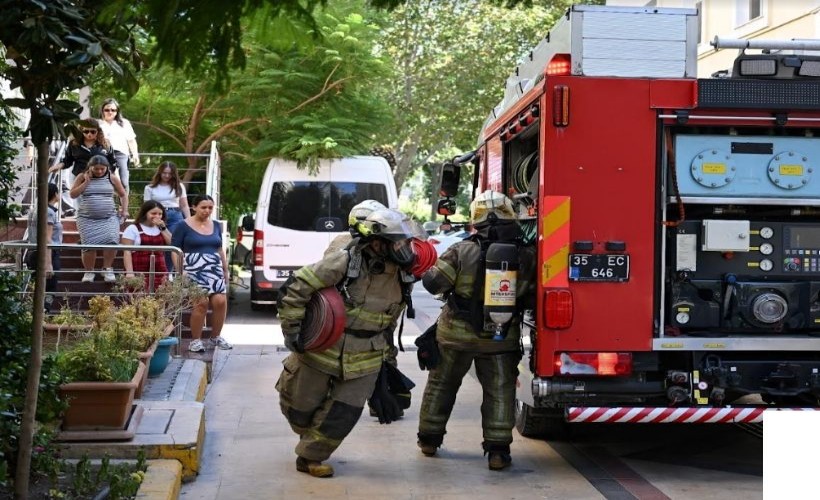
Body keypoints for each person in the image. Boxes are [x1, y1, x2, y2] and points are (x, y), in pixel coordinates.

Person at [276, 208, 433, 478]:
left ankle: (311, 457)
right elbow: (297, 286)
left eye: (405, 243)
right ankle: (308, 434)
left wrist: (387, 362)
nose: (405, 249)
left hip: (367, 356)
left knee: (342, 413)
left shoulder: (405, 274)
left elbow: (391, 322)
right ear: (376, 243)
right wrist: (292, 331)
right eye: (398, 243)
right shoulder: (345, 263)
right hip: (323, 348)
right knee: (299, 406)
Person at [416, 190, 537, 471]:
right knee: (500, 390)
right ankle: (498, 452)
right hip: (500, 337)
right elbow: (532, 296)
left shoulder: (461, 249)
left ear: (475, 219)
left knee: (441, 386)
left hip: (454, 336)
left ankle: (429, 441)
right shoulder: (527, 254)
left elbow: (434, 284)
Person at [171, 194, 232, 353]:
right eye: (203, 207)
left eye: (210, 207)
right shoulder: (182, 225)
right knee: (201, 303)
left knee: (220, 301)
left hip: (213, 268)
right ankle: (195, 341)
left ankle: (215, 337)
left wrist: (225, 269)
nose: (207, 210)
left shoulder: (217, 225)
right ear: (194, 207)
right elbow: (175, 250)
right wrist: (180, 271)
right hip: (192, 268)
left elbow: (219, 249)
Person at [70, 155, 128, 283]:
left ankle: (107, 268)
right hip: (87, 218)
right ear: (90, 167)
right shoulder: (81, 176)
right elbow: (73, 194)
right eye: (96, 169)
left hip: (109, 217)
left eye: (103, 169)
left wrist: (124, 210)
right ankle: (89, 271)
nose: (100, 171)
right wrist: (86, 182)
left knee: (112, 241)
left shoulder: (112, 177)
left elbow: (123, 195)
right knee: (88, 246)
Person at [48, 119, 118, 216]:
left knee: (97, 201)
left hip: (100, 178)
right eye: (86, 131)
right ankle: (82, 220)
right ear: (81, 130)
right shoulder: (74, 144)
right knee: (80, 204)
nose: (89, 134)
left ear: (98, 131)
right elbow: (68, 160)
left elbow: (112, 162)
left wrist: (111, 176)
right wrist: (58, 166)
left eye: (93, 132)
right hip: (79, 177)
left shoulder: (105, 144)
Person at [144, 161, 190, 271]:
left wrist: (188, 221)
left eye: (170, 173)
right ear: (160, 172)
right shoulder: (149, 188)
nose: (167, 176)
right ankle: (156, 272)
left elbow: (184, 205)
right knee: (157, 244)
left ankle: (167, 272)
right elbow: (146, 207)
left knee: (173, 245)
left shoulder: (179, 186)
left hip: (175, 216)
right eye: (164, 173)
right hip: (157, 216)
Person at [26, 182, 63, 312]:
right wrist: (48, 263)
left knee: (39, 286)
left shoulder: (35, 209)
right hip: (47, 254)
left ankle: (39, 313)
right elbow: (46, 239)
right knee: (49, 287)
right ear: (55, 195)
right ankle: (44, 312)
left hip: (33, 252)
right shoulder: (48, 212)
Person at [122, 200, 172, 291]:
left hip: (160, 270)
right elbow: (127, 251)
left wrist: (163, 228)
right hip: (139, 270)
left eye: (160, 214)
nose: (157, 216)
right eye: (153, 213)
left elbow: (172, 244)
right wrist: (130, 273)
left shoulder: (161, 229)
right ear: (145, 213)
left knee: (161, 297)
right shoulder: (133, 228)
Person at [98, 98, 140, 192]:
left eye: (113, 110)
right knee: (106, 181)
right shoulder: (98, 124)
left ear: (117, 111)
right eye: (107, 110)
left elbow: (131, 140)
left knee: (124, 182)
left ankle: (124, 205)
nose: (110, 112)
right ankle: (109, 204)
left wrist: (135, 155)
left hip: (121, 153)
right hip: (103, 154)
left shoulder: (124, 123)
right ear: (102, 111)